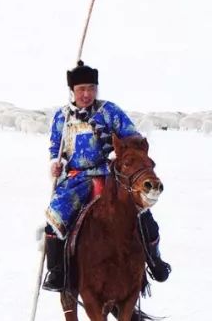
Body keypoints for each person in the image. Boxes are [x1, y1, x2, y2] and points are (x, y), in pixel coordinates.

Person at [42, 60, 171, 291]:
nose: (86, 94)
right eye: (81, 89)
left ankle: (154, 260)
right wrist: (56, 163)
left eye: (91, 88)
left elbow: (135, 139)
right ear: (72, 90)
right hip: (76, 179)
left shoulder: (109, 111)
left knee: (142, 214)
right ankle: (57, 272)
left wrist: (118, 153)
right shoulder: (62, 118)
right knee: (55, 217)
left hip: (111, 176)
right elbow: (56, 148)